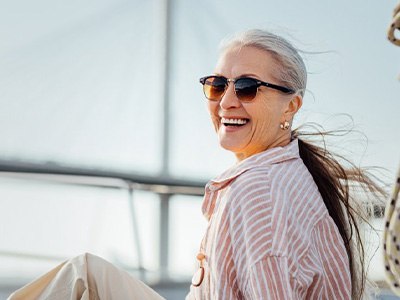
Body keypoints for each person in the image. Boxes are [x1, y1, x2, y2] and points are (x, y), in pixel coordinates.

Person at [8, 29, 384, 300]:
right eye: (218, 85)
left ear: (291, 105)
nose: (227, 102)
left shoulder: (258, 190)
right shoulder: (284, 174)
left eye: (248, 87)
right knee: (85, 273)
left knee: (79, 281)